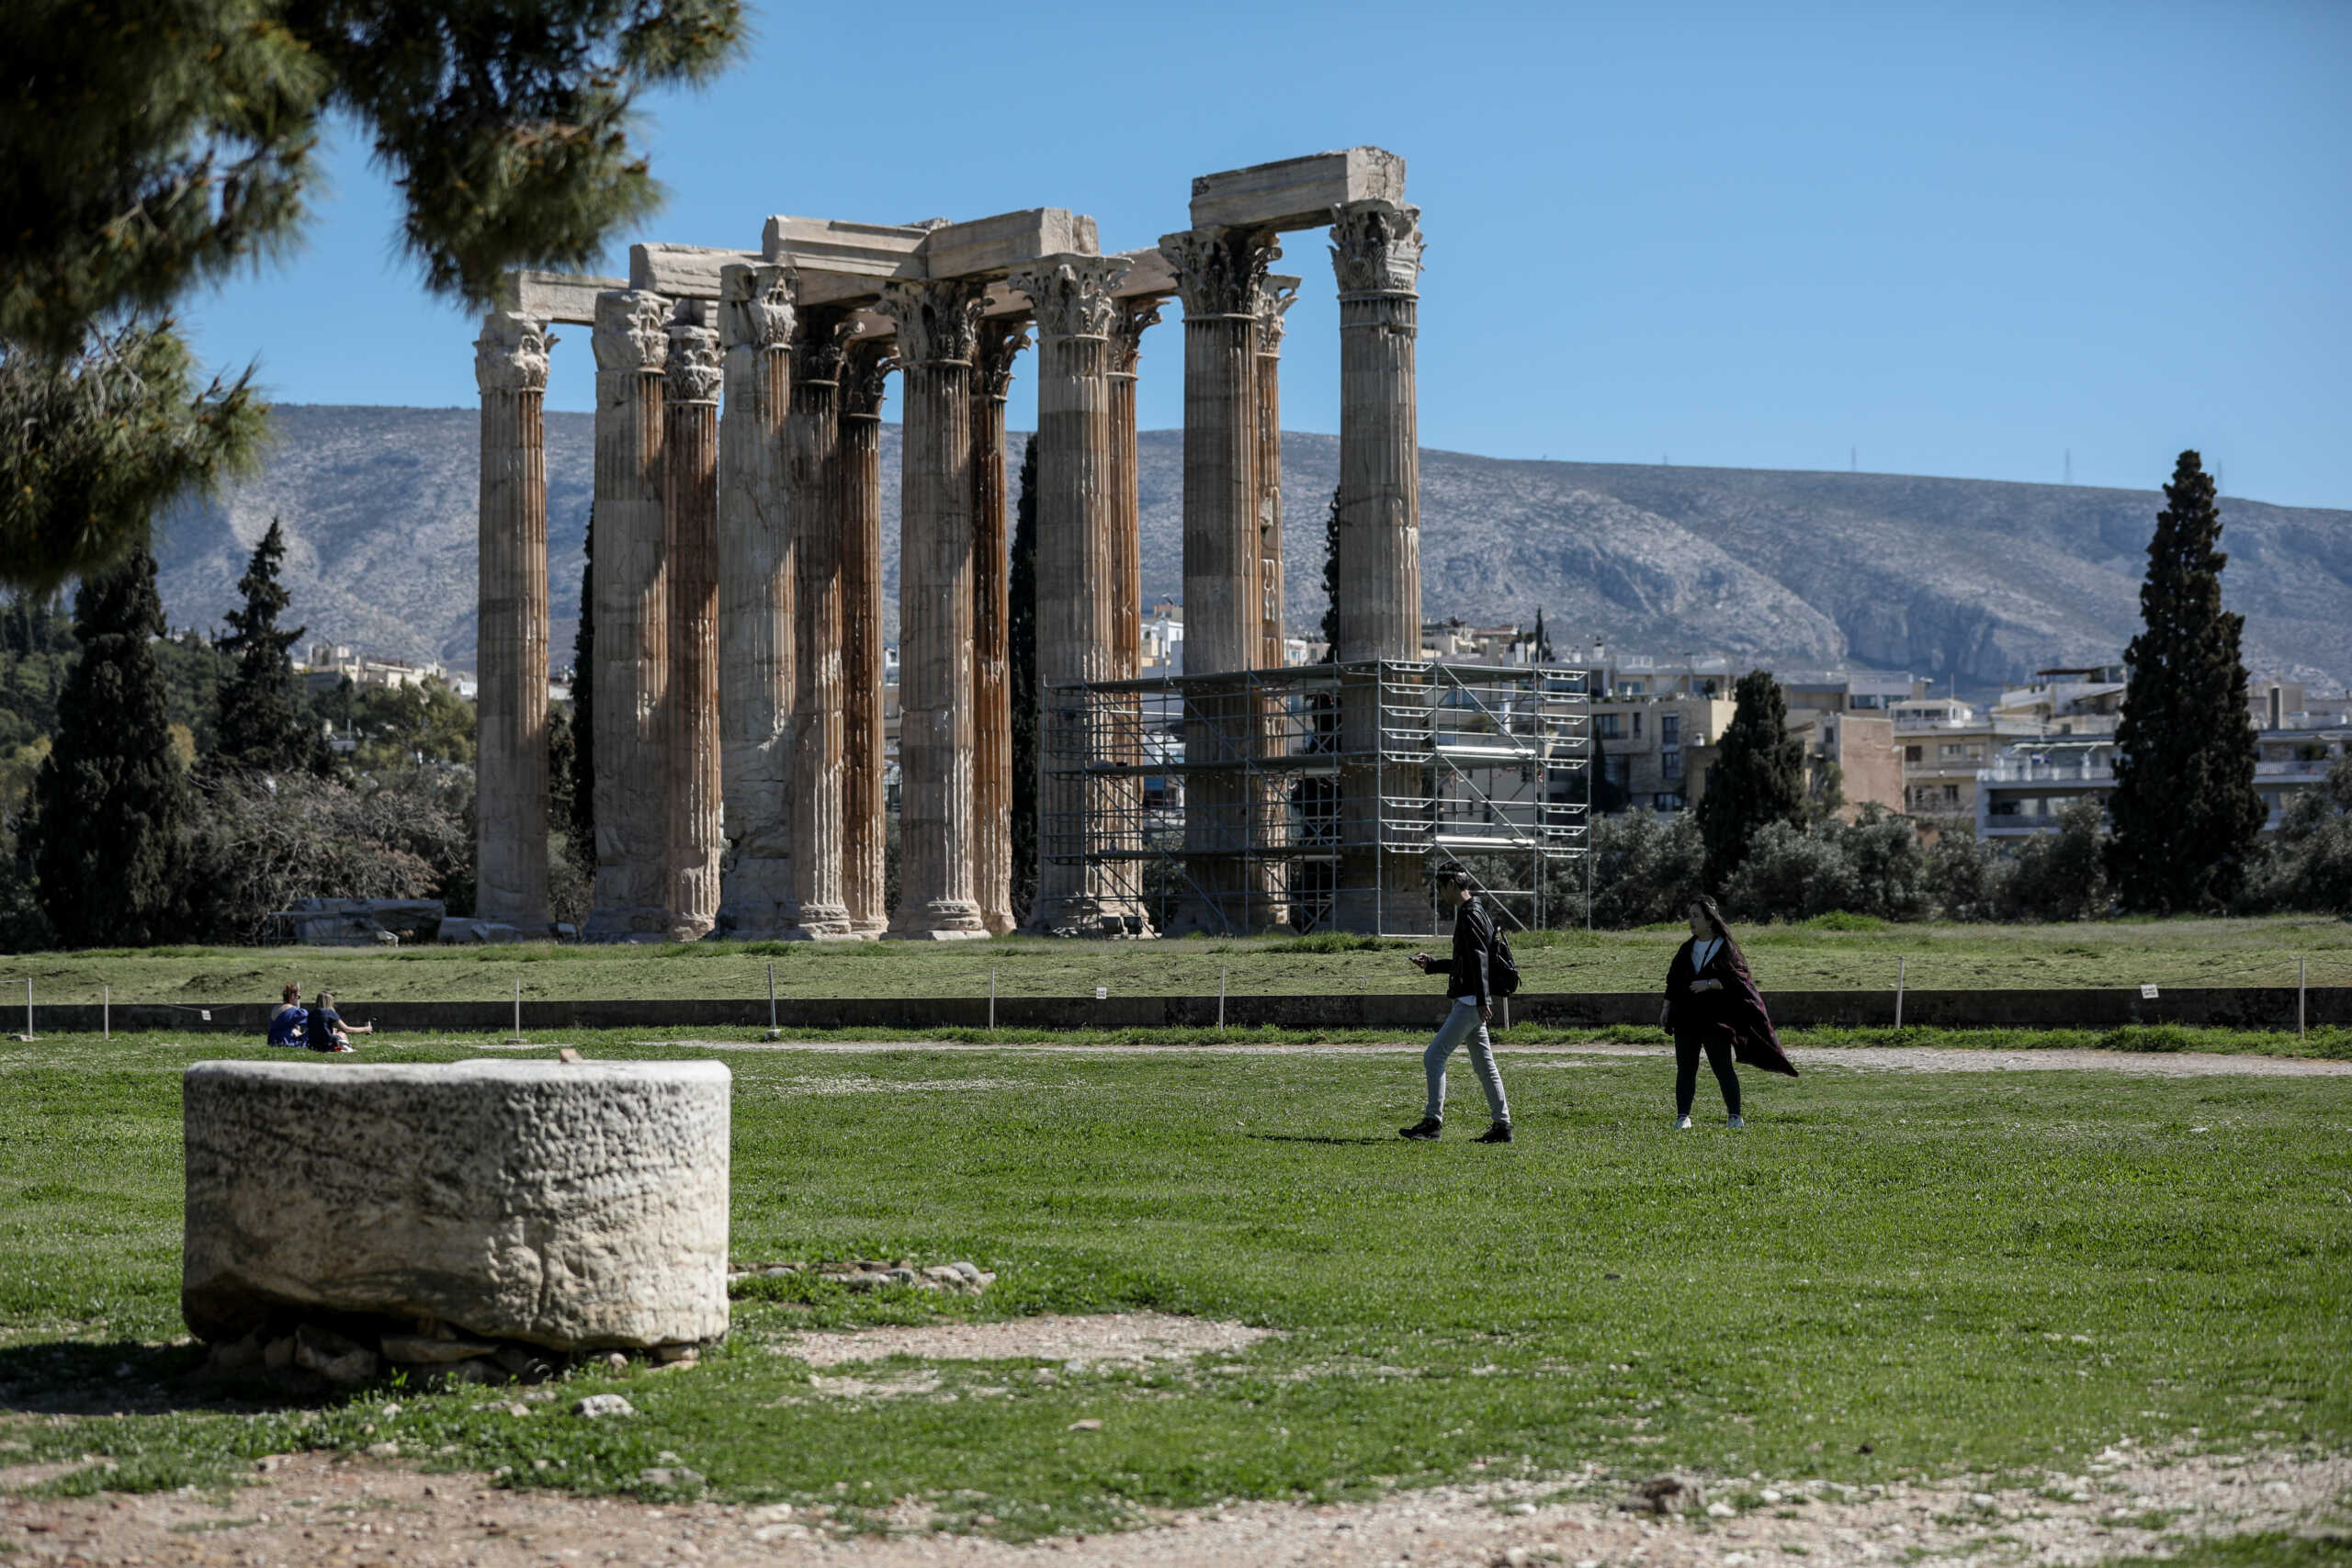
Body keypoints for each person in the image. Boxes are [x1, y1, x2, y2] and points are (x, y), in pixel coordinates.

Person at [1659, 896, 1797, 1129]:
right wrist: (1666, 1008)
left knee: (1723, 1069)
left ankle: (1735, 1116)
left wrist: (1711, 983)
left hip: (1716, 1021)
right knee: (1685, 1070)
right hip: (1686, 1019)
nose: (1690, 921)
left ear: (1710, 920)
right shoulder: (1686, 948)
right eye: (1690, 916)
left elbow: (1740, 978)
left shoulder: (1726, 947)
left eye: (1696, 916)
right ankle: (1683, 1117)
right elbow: (1673, 980)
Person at [1398, 867, 1514, 1144]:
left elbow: (1478, 958)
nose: (1439, 893)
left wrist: (1482, 999)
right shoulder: (1478, 911)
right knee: (1485, 1066)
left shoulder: (1469, 914)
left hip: (1469, 1002)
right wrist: (1434, 965)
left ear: (1451, 885)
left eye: (1440, 887)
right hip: (1473, 999)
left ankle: (1432, 1123)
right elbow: (1468, 961)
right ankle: (1502, 1127)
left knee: (1434, 1056)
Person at [307, 989, 372, 1052]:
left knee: (335, 1032)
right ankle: (349, 1049)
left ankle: (345, 1048)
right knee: (342, 1033)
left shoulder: (311, 1014)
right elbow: (346, 1029)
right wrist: (365, 1029)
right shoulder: (329, 1012)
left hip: (313, 1046)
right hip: (327, 1046)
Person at [265, 984, 308, 1049]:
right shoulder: (295, 1011)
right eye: (298, 997)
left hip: (272, 1041)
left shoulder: (275, 1008)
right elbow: (311, 1022)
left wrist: (294, 1030)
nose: (298, 999)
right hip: (286, 1042)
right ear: (293, 996)